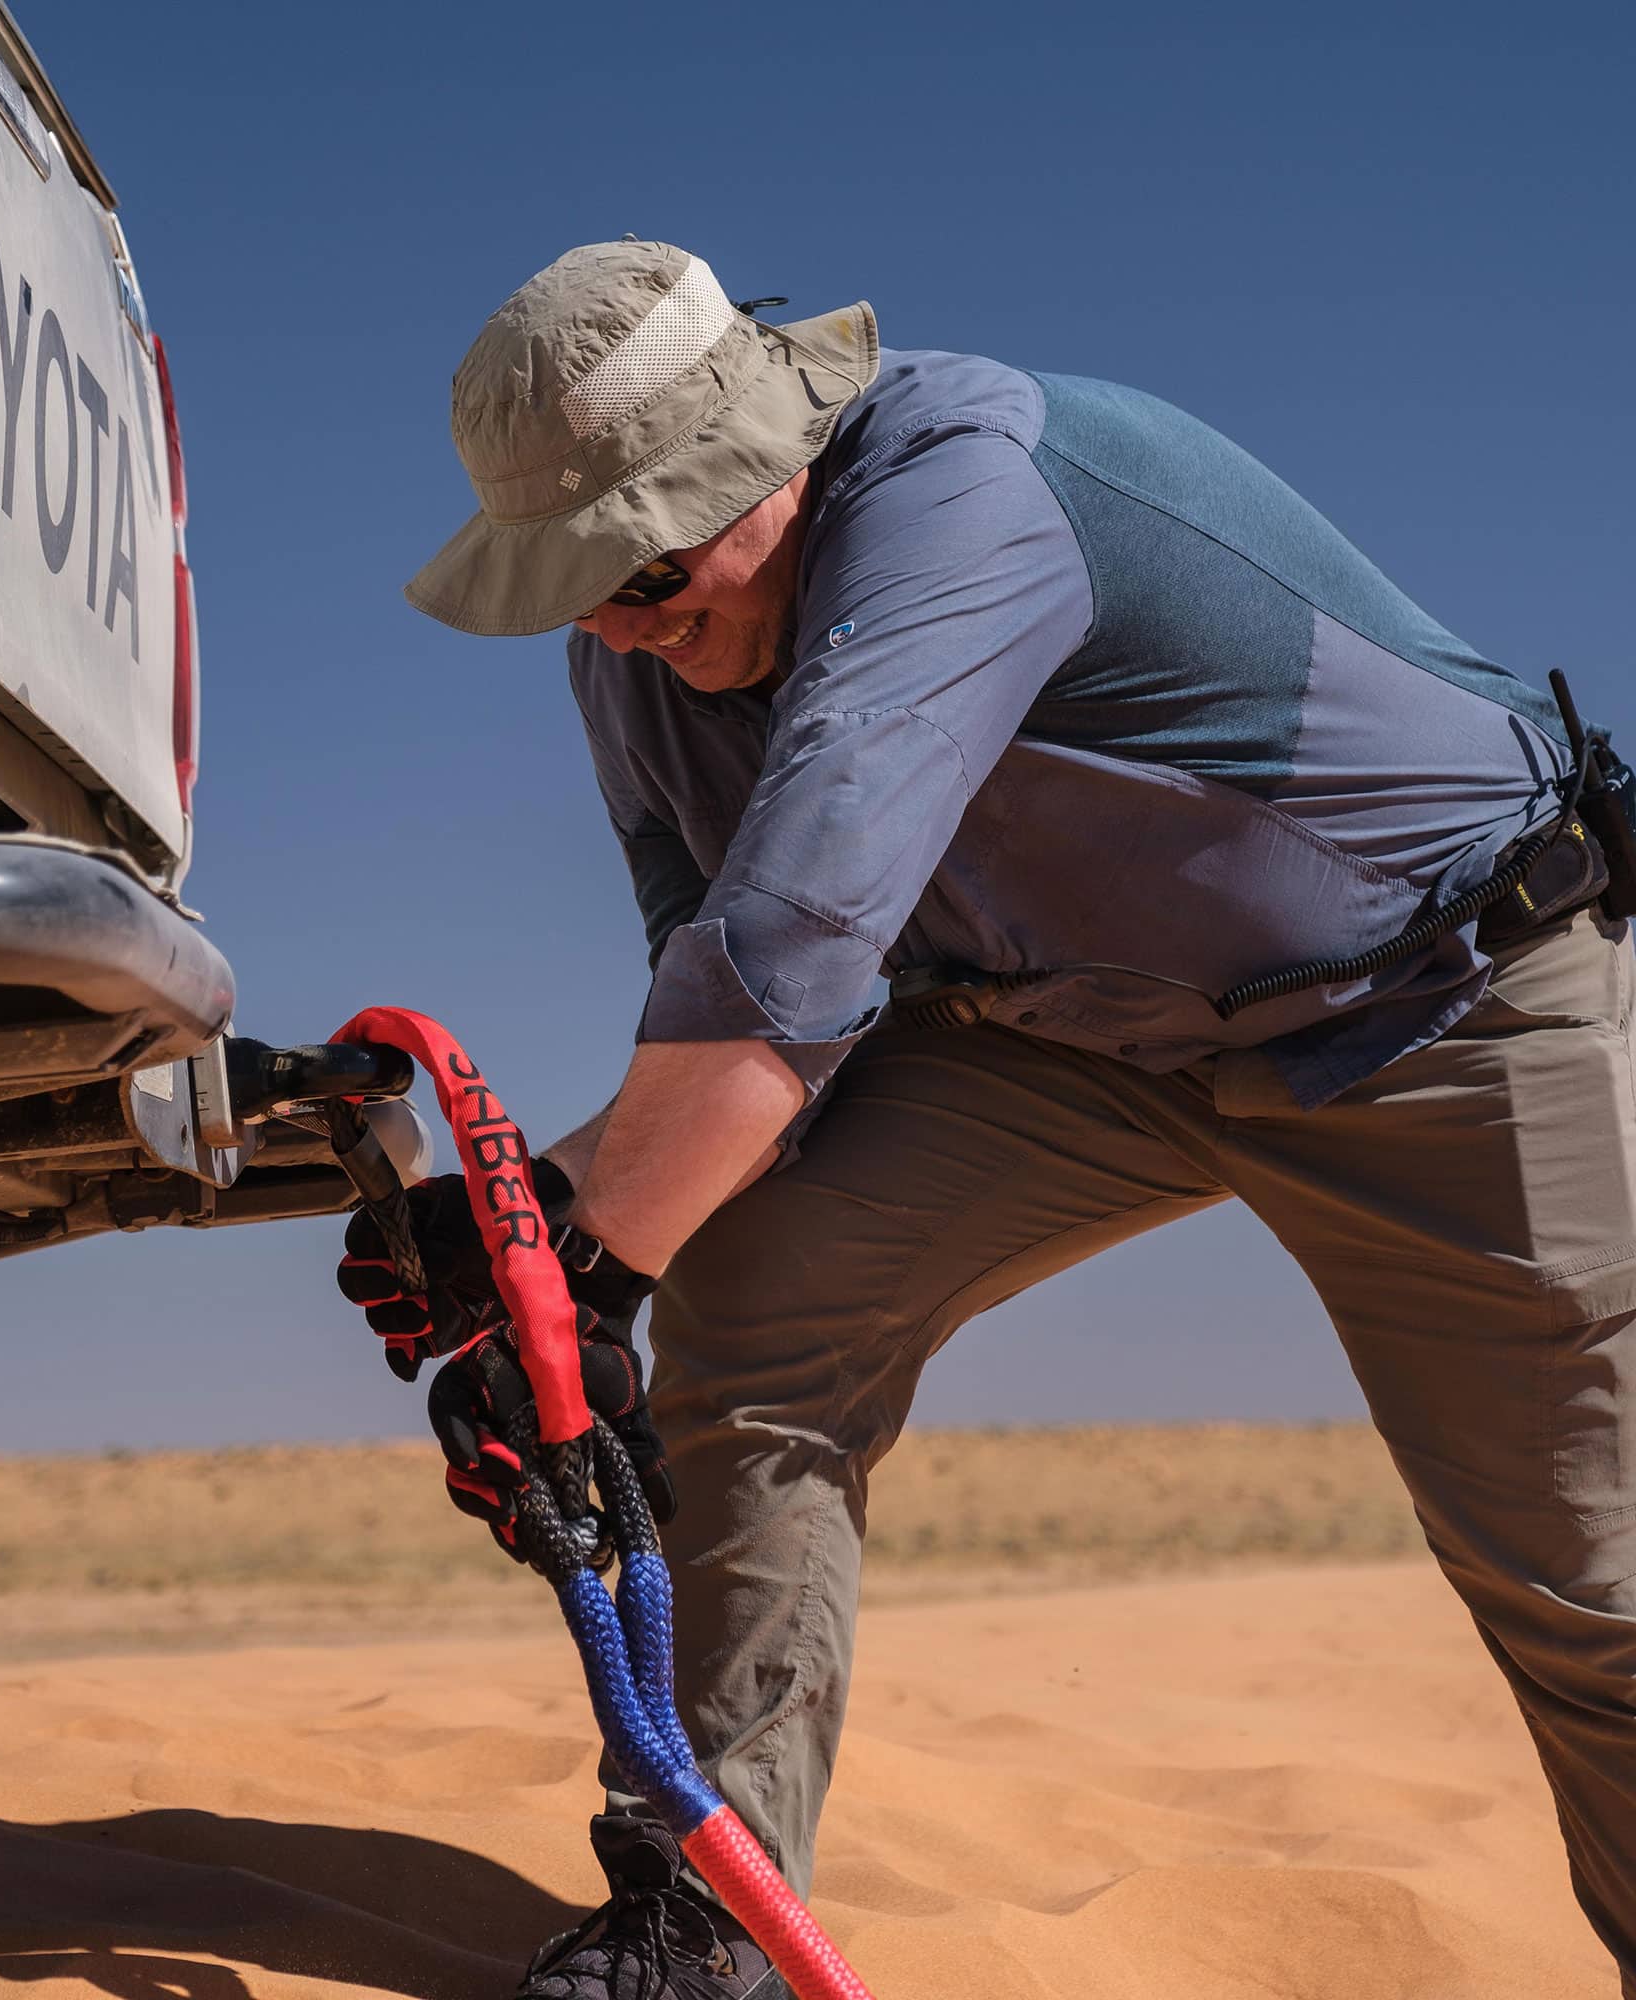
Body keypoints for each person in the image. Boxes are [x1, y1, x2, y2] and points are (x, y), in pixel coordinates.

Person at [338, 238, 1636, 1999]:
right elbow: (714, 1002)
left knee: (1583, 1586)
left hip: (1439, 1000)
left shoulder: (964, 492)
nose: (621, 622)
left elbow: (792, 946)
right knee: (762, 1306)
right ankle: (707, 1909)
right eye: (575, 589)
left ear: (767, 461)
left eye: (643, 564)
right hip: (1075, 1038)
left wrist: (582, 1271)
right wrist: (531, 1220)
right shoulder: (639, 661)